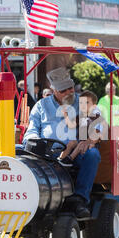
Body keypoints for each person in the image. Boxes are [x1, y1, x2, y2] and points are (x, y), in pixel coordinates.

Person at [23, 67, 100, 218]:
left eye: (70, 88)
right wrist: (35, 142)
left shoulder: (84, 101)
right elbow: (32, 129)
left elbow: (99, 124)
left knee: (92, 154)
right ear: (54, 90)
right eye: (63, 90)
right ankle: (25, 197)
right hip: (46, 153)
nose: (68, 92)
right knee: (16, 151)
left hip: (75, 152)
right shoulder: (41, 105)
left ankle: (80, 199)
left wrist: (90, 139)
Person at [59, 90, 102, 166]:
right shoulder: (81, 117)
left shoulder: (96, 118)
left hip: (91, 143)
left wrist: (89, 142)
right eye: (81, 103)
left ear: (94, 106)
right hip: (80, 142)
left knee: (82, 144)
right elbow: (71, 125)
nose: (83, 105)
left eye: (86, 103)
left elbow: (97, 133)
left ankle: (70, 159)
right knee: (71, 142)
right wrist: (65, 114)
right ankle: (61, 159)